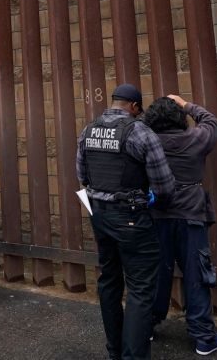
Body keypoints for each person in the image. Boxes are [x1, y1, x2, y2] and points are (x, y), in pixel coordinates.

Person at [75, 83, 175, 360]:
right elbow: (165, 186)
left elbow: (81, 174)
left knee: (109, 281)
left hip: (100, 216)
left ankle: (115, 351)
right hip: (131, 217)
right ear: (133, 106)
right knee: (141, 290)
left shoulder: (89, 129)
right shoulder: (140, 132)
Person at [144, 95, 217, 356]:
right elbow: (211, 121)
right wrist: (185, 104)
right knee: (196, 274)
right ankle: (203, 336)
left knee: (156, 273)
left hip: (157, 216)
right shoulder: (195, 139)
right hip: (191, 216)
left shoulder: (147, 142)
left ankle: (146, 326)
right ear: (179, 118)